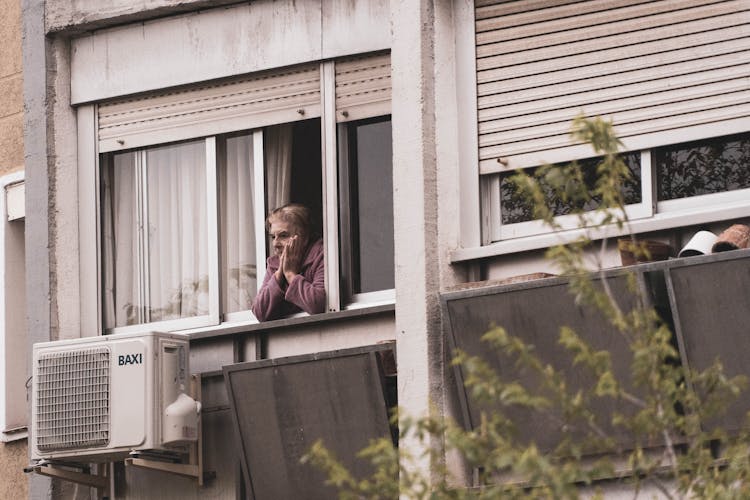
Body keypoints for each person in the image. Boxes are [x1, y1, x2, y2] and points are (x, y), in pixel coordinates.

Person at [251, 203, 325, 321]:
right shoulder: (275, 264)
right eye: (273, 237)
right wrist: (280, 273)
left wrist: (290, 274)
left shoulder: (321, 255)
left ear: (304, 238)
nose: (275, 243)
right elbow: (260, 313)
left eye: (283, 235)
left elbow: (318, 305)